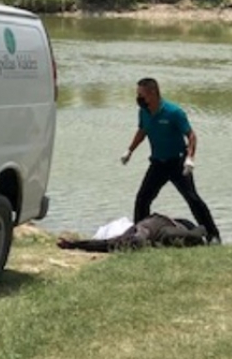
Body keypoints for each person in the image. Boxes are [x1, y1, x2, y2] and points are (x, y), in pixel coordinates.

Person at [121, 77, 221, 244]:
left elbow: (191, 136)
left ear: (153, 93)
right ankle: (139, 236)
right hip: (158, 164)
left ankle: (213, 235)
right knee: (142, 198)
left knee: (193, 199)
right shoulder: (144, 112)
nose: (138, 98)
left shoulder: (174, 112)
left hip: (178, 163)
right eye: (137, 94)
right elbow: (142, 131)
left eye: (141, 94)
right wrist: (129, 150)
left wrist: (190, 158)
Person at [57, 213, 208, 252]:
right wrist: (72, 245)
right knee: (114, 244)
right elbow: (104, 244)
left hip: (181, 223)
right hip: (152, 223)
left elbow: (200, 231)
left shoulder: (167, 233)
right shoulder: (132, 235)